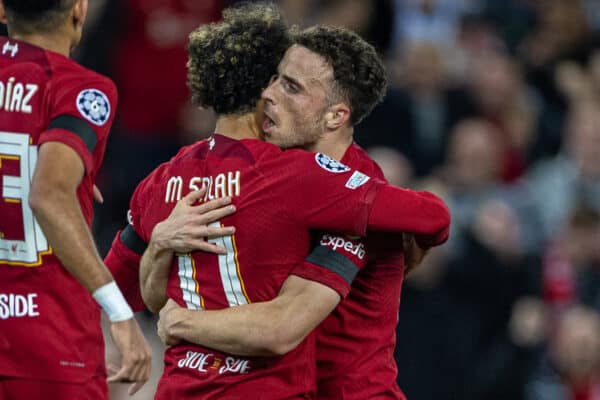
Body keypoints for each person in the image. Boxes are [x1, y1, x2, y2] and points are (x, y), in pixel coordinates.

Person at [105, 3, 449, 398]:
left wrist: (180, 322)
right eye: (274, 79)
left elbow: (282, 327)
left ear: (335, 116)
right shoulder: (271, 174)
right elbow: (118, 279)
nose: (269, 94)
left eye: (291, 87)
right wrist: (161, 245)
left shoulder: (350, 189)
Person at [0, 1, 150, 398]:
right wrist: (118, 311)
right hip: (46, 339)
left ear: (2, 10)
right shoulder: (79, 86)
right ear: (79, 10)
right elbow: (48, 194)